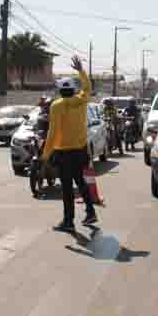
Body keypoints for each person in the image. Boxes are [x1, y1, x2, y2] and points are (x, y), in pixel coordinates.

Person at [42, 56, 97, 232]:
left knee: (67, 187)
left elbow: (52, 132)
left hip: (64, 152)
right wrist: (80, 71)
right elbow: (88, 87)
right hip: (80, 150)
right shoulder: (81, 101)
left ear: (59, 91)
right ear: (73, 89)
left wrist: (45, 155)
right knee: (80, 180)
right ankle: (90, 211)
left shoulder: (56, 106)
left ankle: (68, 221)